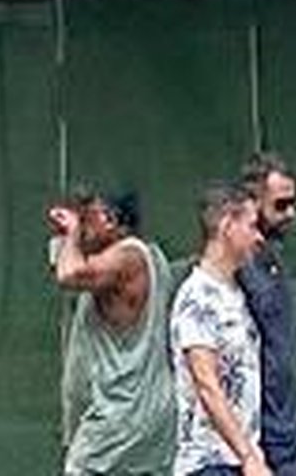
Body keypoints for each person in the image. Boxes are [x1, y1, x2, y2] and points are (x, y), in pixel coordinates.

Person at [50, 183, 171, 476]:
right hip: (146, 415)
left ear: (109, 220)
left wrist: (73, 230)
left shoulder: (128, 257)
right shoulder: (149, 257)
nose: (83, 229)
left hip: (119, 415)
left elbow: (68, 274)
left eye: (87, 219)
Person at [170, 177, 266, 476]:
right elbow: (206, 383)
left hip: (236, 459)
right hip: (209, 463)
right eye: (251, 226)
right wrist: (247, 455)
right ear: (227, 226)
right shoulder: (197, 298)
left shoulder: (235, 293)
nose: (258, 237)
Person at [239, 154, 296, 476]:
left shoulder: (274, 260)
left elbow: (283, 350)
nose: (291, 214)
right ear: (252, 205)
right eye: (280, 205)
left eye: (293, 204)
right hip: (258, 435)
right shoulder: (234, 273)